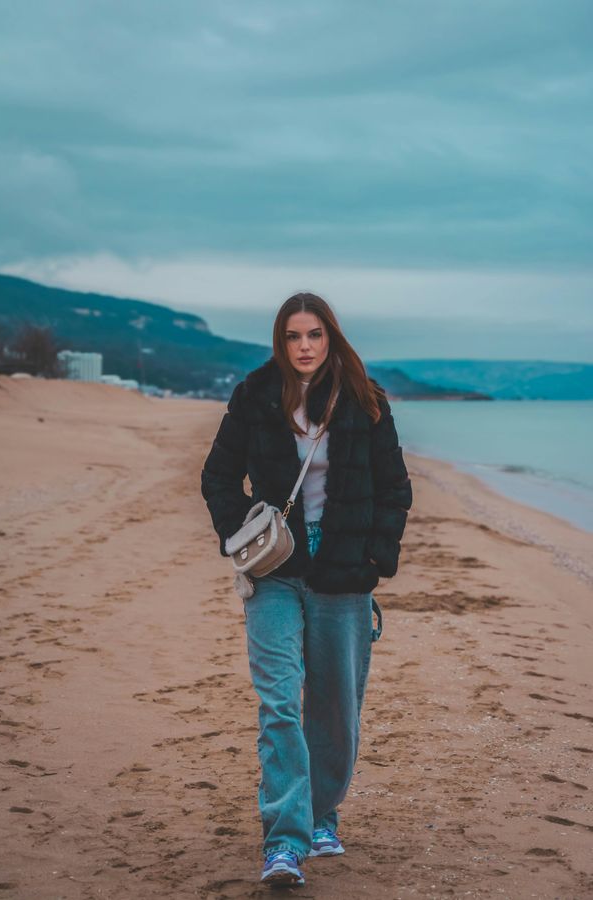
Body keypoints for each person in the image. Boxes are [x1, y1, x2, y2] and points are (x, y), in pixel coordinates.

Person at [201, 292, 412, 887]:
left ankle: (322, 813)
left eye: (314, 335)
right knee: (278, 703)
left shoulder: (365, 402)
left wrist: (377, 557)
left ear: (330, 338)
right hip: (273, 571)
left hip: (344, 572)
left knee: (335, 709)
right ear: (280, 340)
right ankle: (285, 841)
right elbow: (217, 475)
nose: (304, 347)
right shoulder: (255, 394)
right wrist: (243, 530)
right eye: (293, 336)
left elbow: (395, 487)